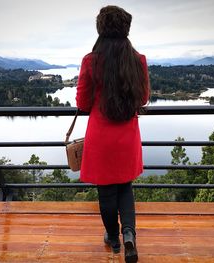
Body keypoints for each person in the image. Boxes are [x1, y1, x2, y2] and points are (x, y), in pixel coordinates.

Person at [75, 5, 149, 263]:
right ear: (126, 28)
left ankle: (113, 239)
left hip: (101, 139)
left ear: (100, 28)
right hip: (127, 136)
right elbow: (144, 98)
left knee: (106, 192)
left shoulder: (90, 61)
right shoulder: (138, 60)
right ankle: (129, 234)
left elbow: (83, 103)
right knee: (126, 187)